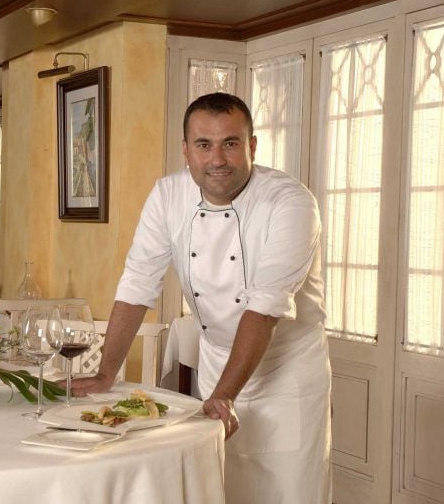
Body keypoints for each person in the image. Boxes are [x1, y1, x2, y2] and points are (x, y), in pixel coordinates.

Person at [70, 92, 332, 503]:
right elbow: (138, 283)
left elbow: (264, 309)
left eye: (230, 143)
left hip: (286, 373)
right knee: (217, 490)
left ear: (252, 146)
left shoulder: (291, 203)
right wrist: (107, 373)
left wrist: (225, 395)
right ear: (185, 150)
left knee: (287, 491)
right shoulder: (167, 195)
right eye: (203, 145)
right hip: (217, 365)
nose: (217, 160)